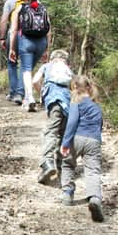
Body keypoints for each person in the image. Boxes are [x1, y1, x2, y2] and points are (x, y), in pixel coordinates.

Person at [59, 75, 105, 222]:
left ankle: (67, 193)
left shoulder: (76, 102)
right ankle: (95, 198)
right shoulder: (96, 104)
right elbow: (100, 124)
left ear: (75, 88)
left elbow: (72, 123)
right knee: (92, 170)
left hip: (77, 137)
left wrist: (65, 143)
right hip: (94, 140)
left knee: (68, 163)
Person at [33, 49, 73, 184]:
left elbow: (35, 81)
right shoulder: (68, 71)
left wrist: (42, 93)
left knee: (50, 132)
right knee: (63, 134)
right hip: (68, 104)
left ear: (52, 58)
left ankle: (47, 163)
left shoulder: (46, 66)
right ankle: (62, 166)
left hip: (54, 101)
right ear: (66, 60)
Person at [9, 0, 51, 112]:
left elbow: (14, 30)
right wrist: (46, 49)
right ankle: (32, 97)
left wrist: (12, 48)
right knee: (30, 68)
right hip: (41, 42)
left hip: (26, 42)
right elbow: (49, 31)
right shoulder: (43, 8)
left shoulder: (20, 8)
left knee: (26, 69)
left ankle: (30, 97)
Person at [0, 0, 28, 104]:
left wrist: (2, 37)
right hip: (28, 36)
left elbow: (4, 20)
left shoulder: (10, 1)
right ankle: (21, 94)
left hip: (13, 34)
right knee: (25, 65)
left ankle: (13, 92)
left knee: (12, 63)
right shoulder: (32, 0)